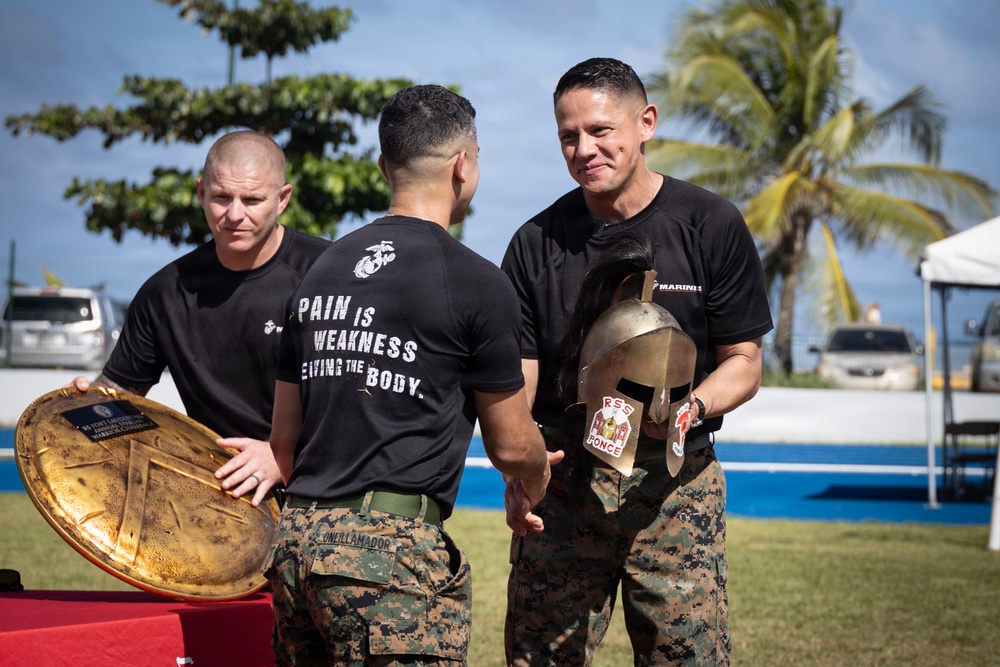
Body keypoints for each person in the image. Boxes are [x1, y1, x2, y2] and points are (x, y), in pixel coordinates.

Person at [265, 84, 557, 666]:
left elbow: (283, 440)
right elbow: (509, 444)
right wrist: (537, 475)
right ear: (463, 166)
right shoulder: (476, 281)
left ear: (384, 166)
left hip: (296, 546)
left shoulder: (321, 269)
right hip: (389, 558)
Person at [500, 58, 774, 665]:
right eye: (568, 136)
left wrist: (691, 407)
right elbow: (520, 380)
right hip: (564, 486)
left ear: (646, 122)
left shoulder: (710, 225)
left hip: (675, 486)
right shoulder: (535, 243)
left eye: (600, 130)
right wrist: (520, 468)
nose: (584, 150)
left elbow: (744, 361)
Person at [72, 130, 330, 507]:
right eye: (222, 197)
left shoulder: (330, 276)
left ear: (282, 199)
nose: (235, 214)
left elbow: (364, 398)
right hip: (220, 497)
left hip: (322, 491)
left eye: (253, 199)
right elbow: (117, 395)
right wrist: (82, 403)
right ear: (201, 193)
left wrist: (280, 453)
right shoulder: (164, 293)